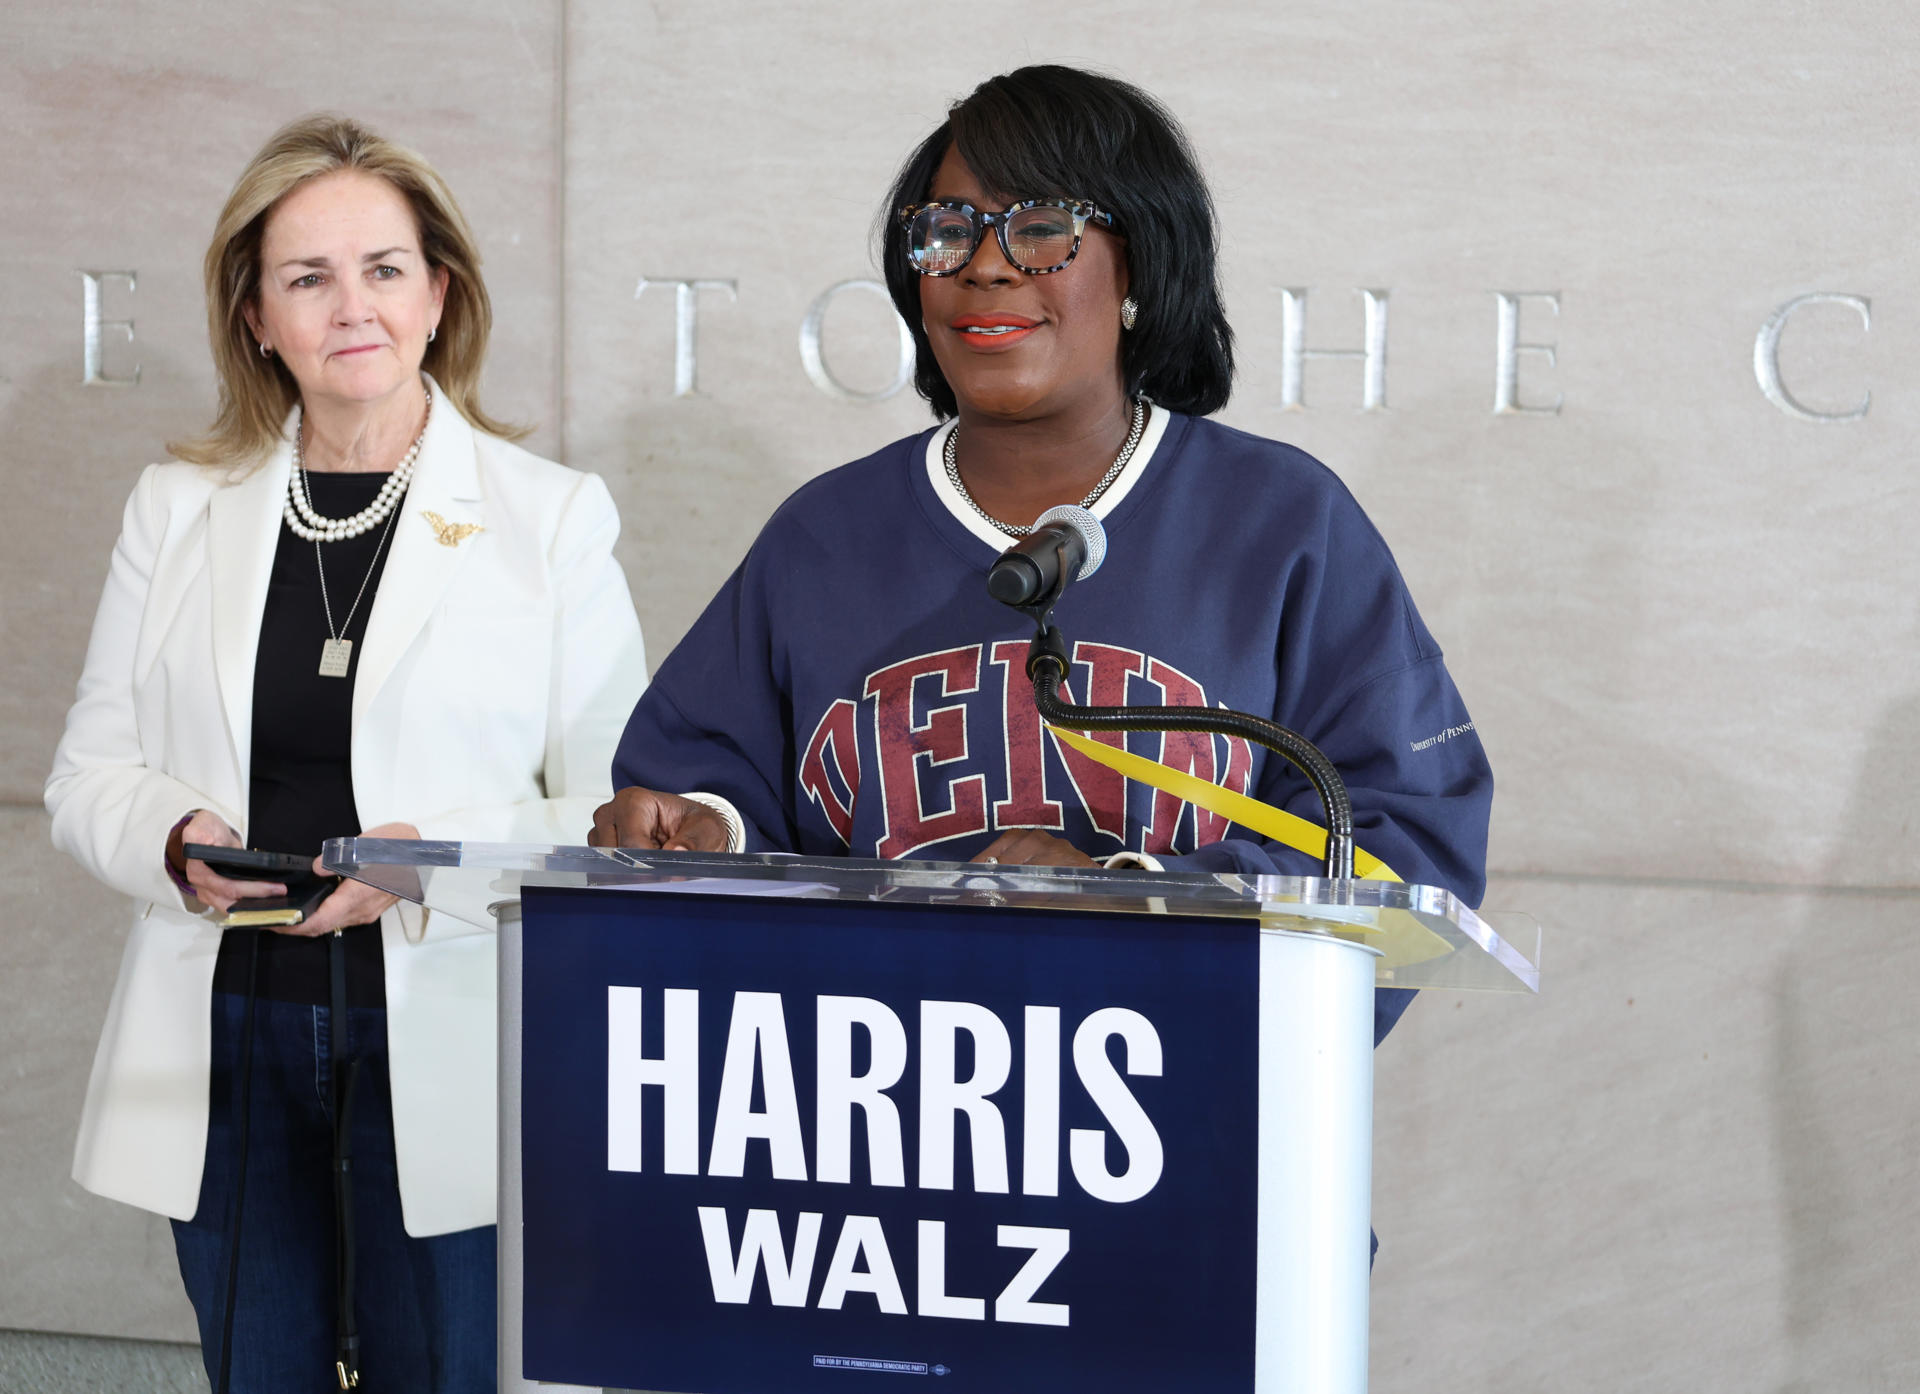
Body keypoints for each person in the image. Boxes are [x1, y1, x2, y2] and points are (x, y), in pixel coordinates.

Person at [594, 65, 1492, 1052]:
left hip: (1191, 1130)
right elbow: (706, 787)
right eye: (946, 230)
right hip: (885, 1139)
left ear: (1142, 258)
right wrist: (704, 832)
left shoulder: (1281, 524)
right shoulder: (823, 537)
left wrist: (1131, 903)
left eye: (1040, 227)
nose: (985, 264)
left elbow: (1411, 857)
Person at [45, 115, 647, 1391]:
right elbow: (86, 773)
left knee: (441, 1369)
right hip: (225, 1027)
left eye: (383, 268)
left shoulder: (550, 520)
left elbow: (613, 813)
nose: (351, 305)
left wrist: (435, 859)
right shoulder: (176, 507)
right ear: (257, 316)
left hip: (449, 1023)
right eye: (306, 277)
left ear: (440, 292)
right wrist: (171, 841)